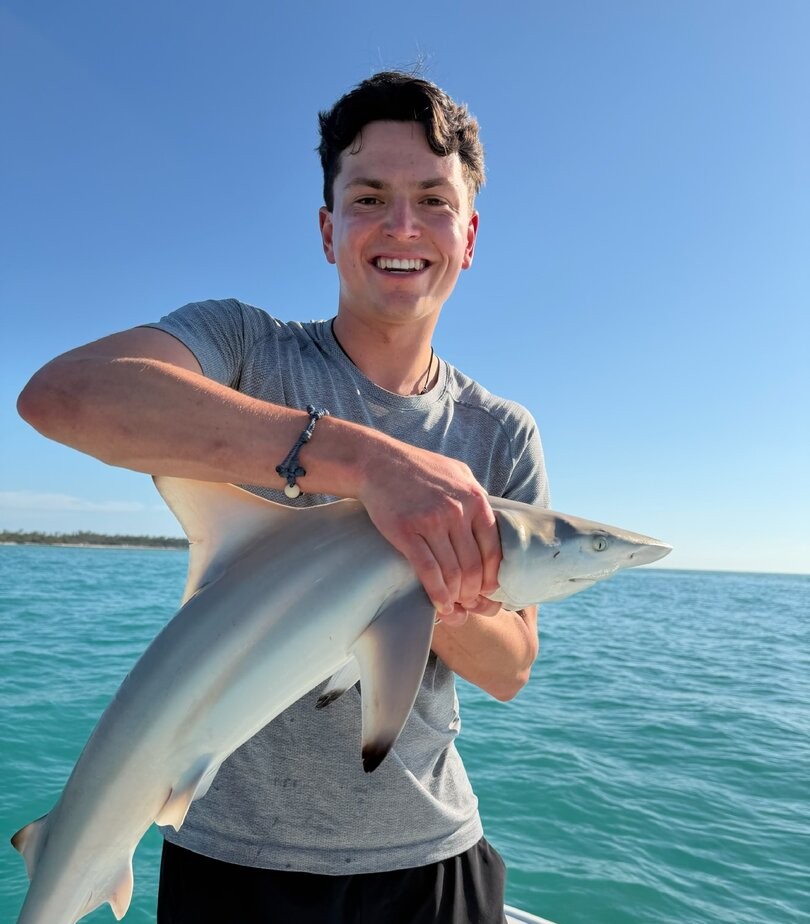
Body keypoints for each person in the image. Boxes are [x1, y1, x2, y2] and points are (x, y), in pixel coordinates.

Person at [17, 71, 550, 924]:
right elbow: (62, 395)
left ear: (469, 233)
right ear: (328, 229)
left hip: (430, 858)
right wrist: (366, 465)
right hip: (232, 862)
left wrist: (421, 573)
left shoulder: (499, 434)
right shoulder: (244, 351)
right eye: (369, 198)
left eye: (433, 200)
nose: (402, 226)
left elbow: (511, 668)